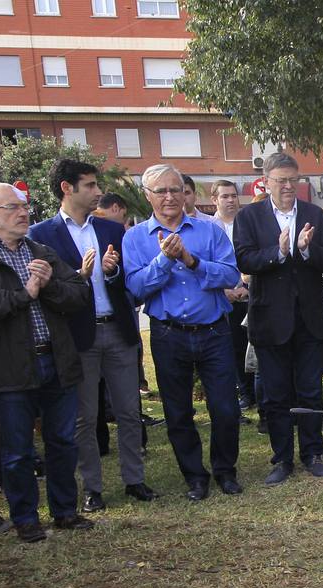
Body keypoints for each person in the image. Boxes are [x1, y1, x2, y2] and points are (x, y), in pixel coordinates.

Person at [28, 159, 155, 513]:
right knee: (85, 417)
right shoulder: (41, 235)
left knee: (129, 411)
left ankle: (135, 480)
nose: (98, 191)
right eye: (89, 185)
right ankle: (93, 488)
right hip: (77, 336)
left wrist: (111, 274)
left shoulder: (112, 231)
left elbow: (129, 284)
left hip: (117, 329)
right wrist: (79, 277)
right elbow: (49, 291)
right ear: (67, 188)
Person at [0, 182, 94, 541]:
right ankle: (26, 518)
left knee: (62, 441)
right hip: (9, 368)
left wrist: (49, 286)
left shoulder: (40, 250)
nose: (23, 212)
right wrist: (23, 294)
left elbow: (77, 294)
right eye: (11, 207)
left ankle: (64, 512)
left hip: (56, 361)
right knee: (17, 451)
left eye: (24, 205)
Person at [124, 164, 243, 502]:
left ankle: (225, 471)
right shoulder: (135, 237)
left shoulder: (208, 231)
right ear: (148, 196)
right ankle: (195, 477)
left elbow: (230, 275)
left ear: (185, 192)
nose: (169, 197)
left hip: (214, 331)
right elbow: (134, 288)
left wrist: (192, 261)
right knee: (178, 412)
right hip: (168, 334)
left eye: (175, 189)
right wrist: (164, 260)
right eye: (160, 191)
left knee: (225, 409)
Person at [234, 151, 323, 485]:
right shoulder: (249, 217)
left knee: (309, 390)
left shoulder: (314, 215)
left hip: (309, 318)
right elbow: (244, 259)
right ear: (266, 182)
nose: (289, 186)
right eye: (281, 181)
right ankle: (282, 458)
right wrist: (278, 252)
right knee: (276, 394)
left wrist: (306, 249)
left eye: (294, 180)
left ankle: (312, 453)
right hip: (270, 319)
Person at [209, 179, 255, 410]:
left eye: (233, 196)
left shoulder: (248, 222)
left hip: (250, 293)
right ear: (214, 200)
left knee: (254, 343)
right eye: (224, 196)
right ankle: (244, 392)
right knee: (233, 346)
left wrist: (245, 288)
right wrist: (225, 290)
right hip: (223, 296)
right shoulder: (208, 227)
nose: (230, 200)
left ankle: (257, 391)